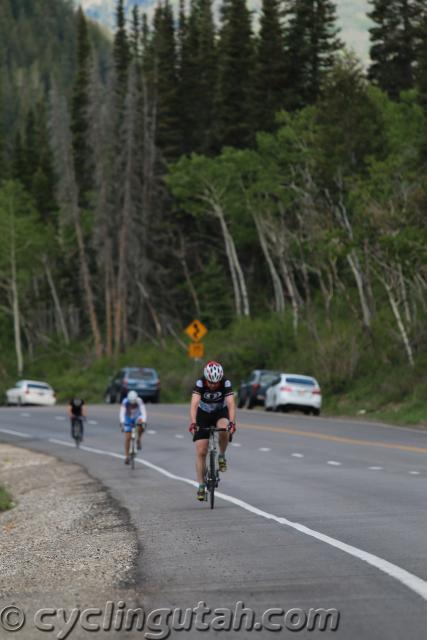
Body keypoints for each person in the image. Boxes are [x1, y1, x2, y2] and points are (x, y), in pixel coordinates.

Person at [189, 361, 236, 501]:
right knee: (201, 451)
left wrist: (232, 423)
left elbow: (231, 404)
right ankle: (201, 485)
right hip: (203, 414)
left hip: (220, 412)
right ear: (206, 379)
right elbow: (194, 405)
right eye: (210, 382)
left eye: (216, 383)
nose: (213, 385)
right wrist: (193, 422)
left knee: (224, 428)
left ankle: (221, 455)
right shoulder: (200, 383)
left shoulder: (225, 383)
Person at [120, 390, 147, 465]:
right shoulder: (125, 402)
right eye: (131, 403)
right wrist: (122, 423)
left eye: (134, 403)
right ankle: (126, 456)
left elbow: (144, 412)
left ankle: (138, 439)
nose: (132, 404)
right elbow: (122, 413)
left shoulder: (139, 401)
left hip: (137, 417)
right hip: (128, 418)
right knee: (127, 438)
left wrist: (143, 421)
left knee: (141, 426)